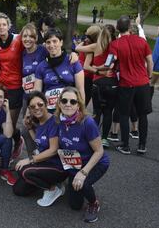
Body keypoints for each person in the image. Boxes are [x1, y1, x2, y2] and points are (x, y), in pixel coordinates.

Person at [55, 86, 109, 223]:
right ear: (59, 103)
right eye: (64, 100)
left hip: (95, 163)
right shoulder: (58, 120)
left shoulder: (87, 122)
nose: (68, 104)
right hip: (74, 163)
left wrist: (83, 173)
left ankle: (93, 203)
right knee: (75, 205)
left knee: (83, 184)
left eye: (73, 102)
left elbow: (99, 151)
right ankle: (81, 183)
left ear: (78, 104)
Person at [13, 91, 67, 207]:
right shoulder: (39, 121)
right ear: (29, 109)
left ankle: (53, 189)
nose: (37, 108)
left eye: (40, 104)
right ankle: (48, 182)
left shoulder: (54, 122)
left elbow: (53, 150)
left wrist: (30, 160)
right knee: (18, 190)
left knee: (25, 170)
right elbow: (39, 142)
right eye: (32, 107)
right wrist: (29, 128)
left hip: (58, 166)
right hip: (45, 163)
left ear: (46, 104)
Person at [109, 15, 153, 154]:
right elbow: (150, 62)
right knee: (142, 115)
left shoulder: (115, 44)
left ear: (117, 28)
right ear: (129, 27)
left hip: (126, 83)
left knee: (124, 114)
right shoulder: (141, 41)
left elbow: (111, 63)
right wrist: (149, 75)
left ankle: (126, 145)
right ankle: (142, 145)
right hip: (142, 82)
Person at [0, 12, 25, 160]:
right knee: (0, 122)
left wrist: (72, 54)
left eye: (3, 24)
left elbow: (36, 48)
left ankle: (18, 140)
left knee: (9, 125)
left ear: (9, 26)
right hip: (0, 87)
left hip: (15, 87)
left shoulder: (18, 40)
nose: (1, 27)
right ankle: (4, 151)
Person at [83, 26, 118, 148]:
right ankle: (104, 138)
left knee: (97, 112)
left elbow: (78, 48)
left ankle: (94, 137)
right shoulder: (115, 46)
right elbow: (111, 64)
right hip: (111, 83)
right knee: (108, 112)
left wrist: (96, 69)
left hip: (97, 83)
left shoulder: (95, 47)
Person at [34, 28, 85, 113]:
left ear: (61, 42)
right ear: (45, 44)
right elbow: (37, 93)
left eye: (55, 41)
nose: (51, 45)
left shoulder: (73, 62)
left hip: (68, 111)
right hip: (49, 112)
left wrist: (82, 111)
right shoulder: (41, 66)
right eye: (48, 42)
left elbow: (80, 90)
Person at [20, 23, 47, 101]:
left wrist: (73, 54)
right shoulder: (22, 53)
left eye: (31, 36)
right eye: (25, 36)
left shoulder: (43, 50)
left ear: (36, 38)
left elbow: (58, 53)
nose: (27, 39)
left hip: (42, 96)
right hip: (27, 96)